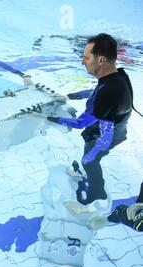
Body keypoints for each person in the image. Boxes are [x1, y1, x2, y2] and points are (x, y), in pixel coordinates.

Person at [46, 33, 134, 213]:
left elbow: (79, 123)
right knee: (90, 154)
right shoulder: (118, 76)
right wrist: (69, 96)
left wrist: (50, 118)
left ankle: (97, 196)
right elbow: (96, 91)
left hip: (108, 135)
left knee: (89, 161)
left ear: (100, 60)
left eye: (86, 58)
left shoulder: (109, 91)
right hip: (115, 126)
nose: (82, 62)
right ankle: (88, 174)